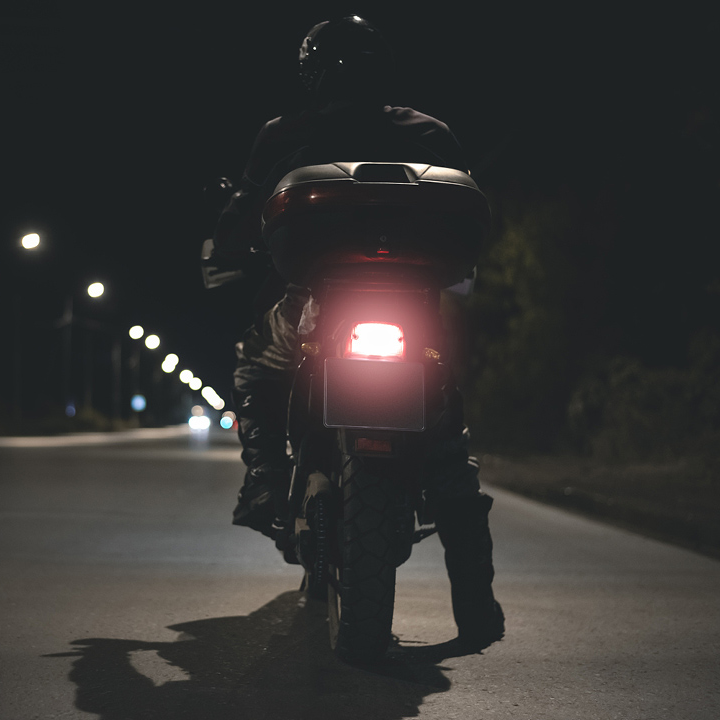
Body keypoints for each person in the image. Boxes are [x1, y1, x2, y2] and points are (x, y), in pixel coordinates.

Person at [211, 15, 504, 649]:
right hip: (418, 314)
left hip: (316, 306)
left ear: (313, 73)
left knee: (255, 367)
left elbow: (242, 218)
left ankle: (264, 480)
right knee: (448, 444)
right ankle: (476, 607)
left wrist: (227, 247)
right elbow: (473, 213)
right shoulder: (430, 131)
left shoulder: (285, 133)